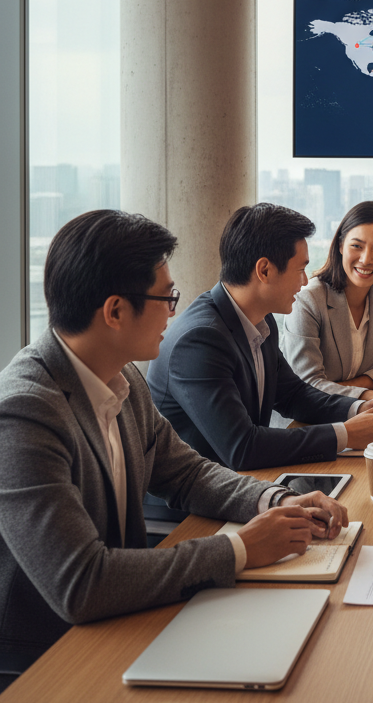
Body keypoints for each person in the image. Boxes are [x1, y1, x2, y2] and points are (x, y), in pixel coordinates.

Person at [0, 211, 348, 674]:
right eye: (167, 297)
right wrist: (241, 549)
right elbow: (81, 583)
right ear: (115, 311)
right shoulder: (25, 413)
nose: (174, 311)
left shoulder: (123, 376)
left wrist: (276, 500)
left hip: (124, 616)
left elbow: (186, 471)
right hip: (48, 654)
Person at [148, 204, 373, 470]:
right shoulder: (200, 340)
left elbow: (293, 395)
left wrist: (360, 407)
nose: (304, 280)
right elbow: (242, 448)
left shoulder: (261, 322)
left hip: (246, 480)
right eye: (300, 269)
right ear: (264, 270)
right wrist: (346, 434)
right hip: (191, 511)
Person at [282, 201, 373, 399]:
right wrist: (368, 396)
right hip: (303, 423)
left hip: (353, 413)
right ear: (341, 245)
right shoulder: (308, 300)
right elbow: (307, 385)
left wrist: (353, 387)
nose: (366, 259)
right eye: (357, 246)